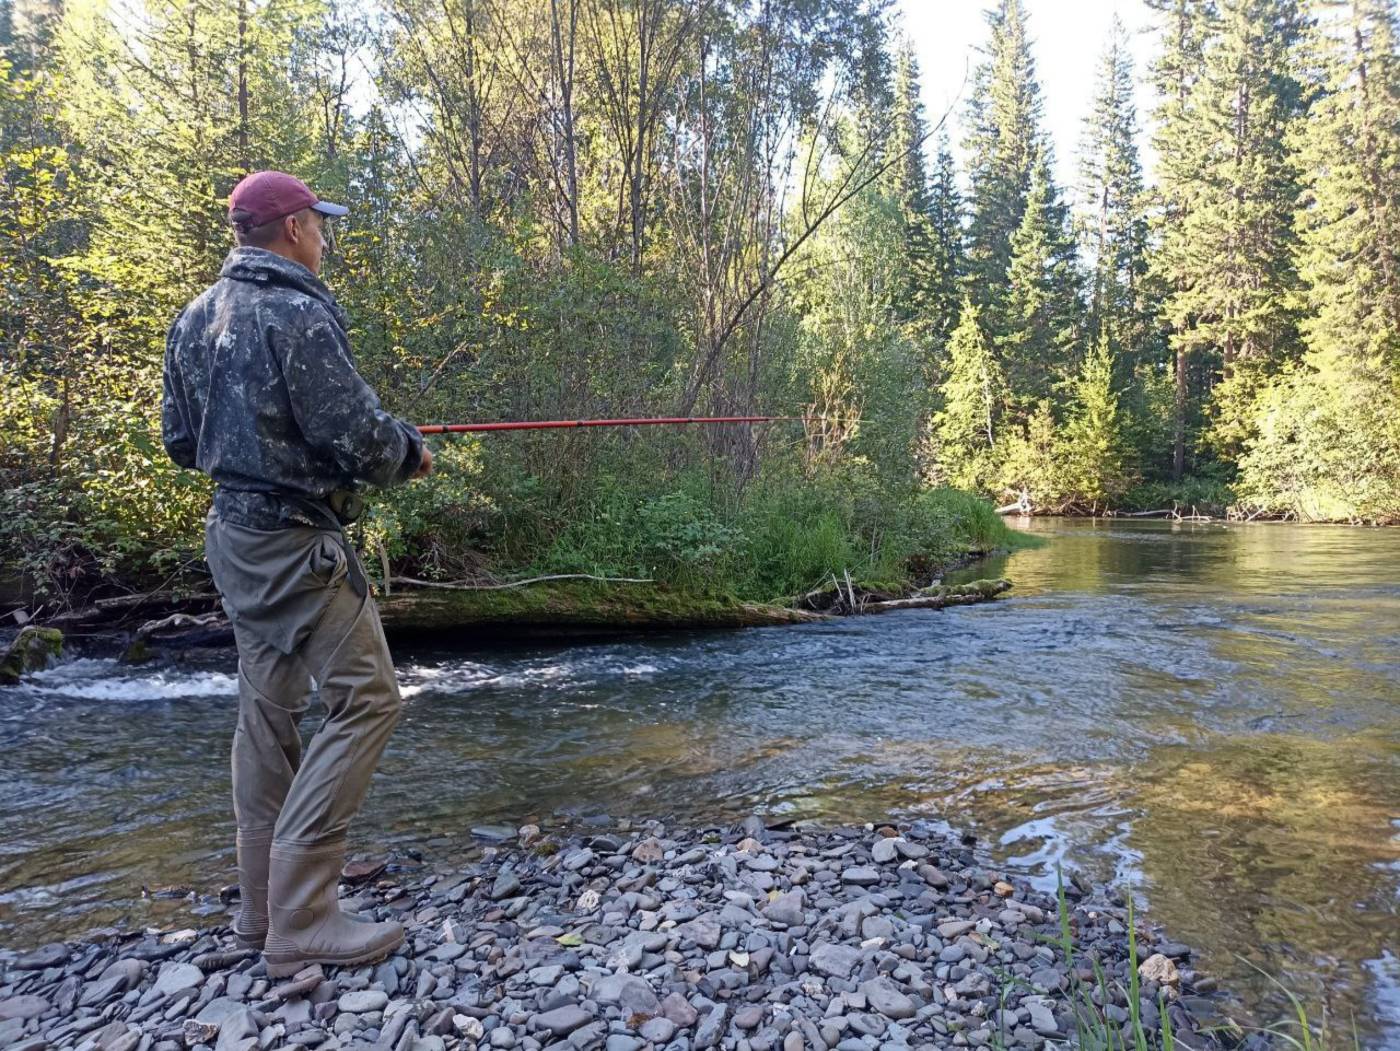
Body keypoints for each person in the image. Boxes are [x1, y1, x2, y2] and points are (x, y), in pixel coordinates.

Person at [161, 170, 432, 978]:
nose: (325, 234)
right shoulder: (297, 312)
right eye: (319, 221)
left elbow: (181, 441)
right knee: (368, 699)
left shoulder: (194, 316)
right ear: (288, 229)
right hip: (296, 545)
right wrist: (408, 451)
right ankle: (306, 913)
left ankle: (259, 908)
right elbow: (356, 436)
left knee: (268, 709)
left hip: (234, 541)